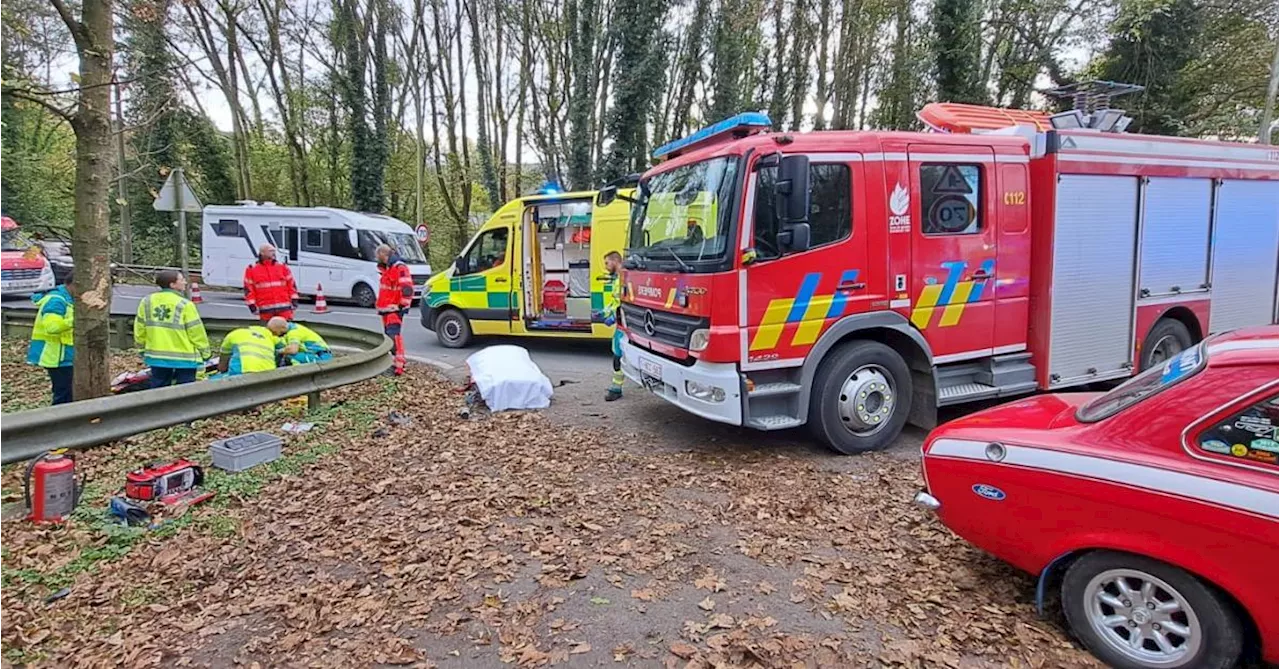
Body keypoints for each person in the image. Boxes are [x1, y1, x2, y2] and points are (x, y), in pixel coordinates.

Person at [136, 271, 210, 387]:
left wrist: (141, 348)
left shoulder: (146, 301)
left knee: (158, 390)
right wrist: (205, 352)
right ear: (172, 284)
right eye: (181, 280)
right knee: (185, 391)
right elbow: (196, 331)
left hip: (156, 356)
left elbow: (140, 328)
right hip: (185, 358)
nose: (185, 282)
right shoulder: (185, 304)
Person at [27, 272, 75, 405]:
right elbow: (52, 327)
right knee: (64, 394)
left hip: (65, 355)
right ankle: (59, 422)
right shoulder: (56, 300)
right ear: (73, 285)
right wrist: (78, 320)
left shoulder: (68, 299)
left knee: (67, 392)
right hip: (56, 357)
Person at [375, 244, 414, 375]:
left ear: (382, 254)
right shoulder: (388, 268)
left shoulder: (399, 268)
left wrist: (401, 306)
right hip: (387, 309)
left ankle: (399, 366)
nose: (376, 258)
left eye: (377, 256)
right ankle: (395, 363)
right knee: (390, 336)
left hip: (394, 309)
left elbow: (407, 288)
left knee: (394, 336)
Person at [242, 244, 298, 322]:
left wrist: (294, 299)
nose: (273, 253)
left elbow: (291, 284)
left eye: (274, 251)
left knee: (286, 330)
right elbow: (249, 289)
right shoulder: (252, 269)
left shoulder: (282, 267)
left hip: (284, 309)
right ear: (262, 253)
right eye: (270, 251)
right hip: (265, 310)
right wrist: (251, 305)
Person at [601, 251, 625, 402]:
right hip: (620, 323)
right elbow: (615, 301)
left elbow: (625, 302)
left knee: (618, 355)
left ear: (615, 261)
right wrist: (605, 312)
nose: (606, 267)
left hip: (624, 324)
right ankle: (616, 387)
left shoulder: (623, 278)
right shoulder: (618, 278)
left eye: (607, 263)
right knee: (617, 354)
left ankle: (617, 388)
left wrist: (613, 316)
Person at [218, 325, 283, 376]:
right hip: (268, 373)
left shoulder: (234, 334)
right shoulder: (271, 336)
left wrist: (222, 371)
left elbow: (223, 364)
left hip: (241, 371)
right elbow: (286, 347)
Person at [266, 316, 332, 365]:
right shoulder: (292, 327)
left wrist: (278, 352)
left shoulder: (294, 333)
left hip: (321, 357)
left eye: (274, 332)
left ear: (283, 328)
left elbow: (293, 350)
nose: (274, 334)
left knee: (289, 357)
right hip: (316, 354)